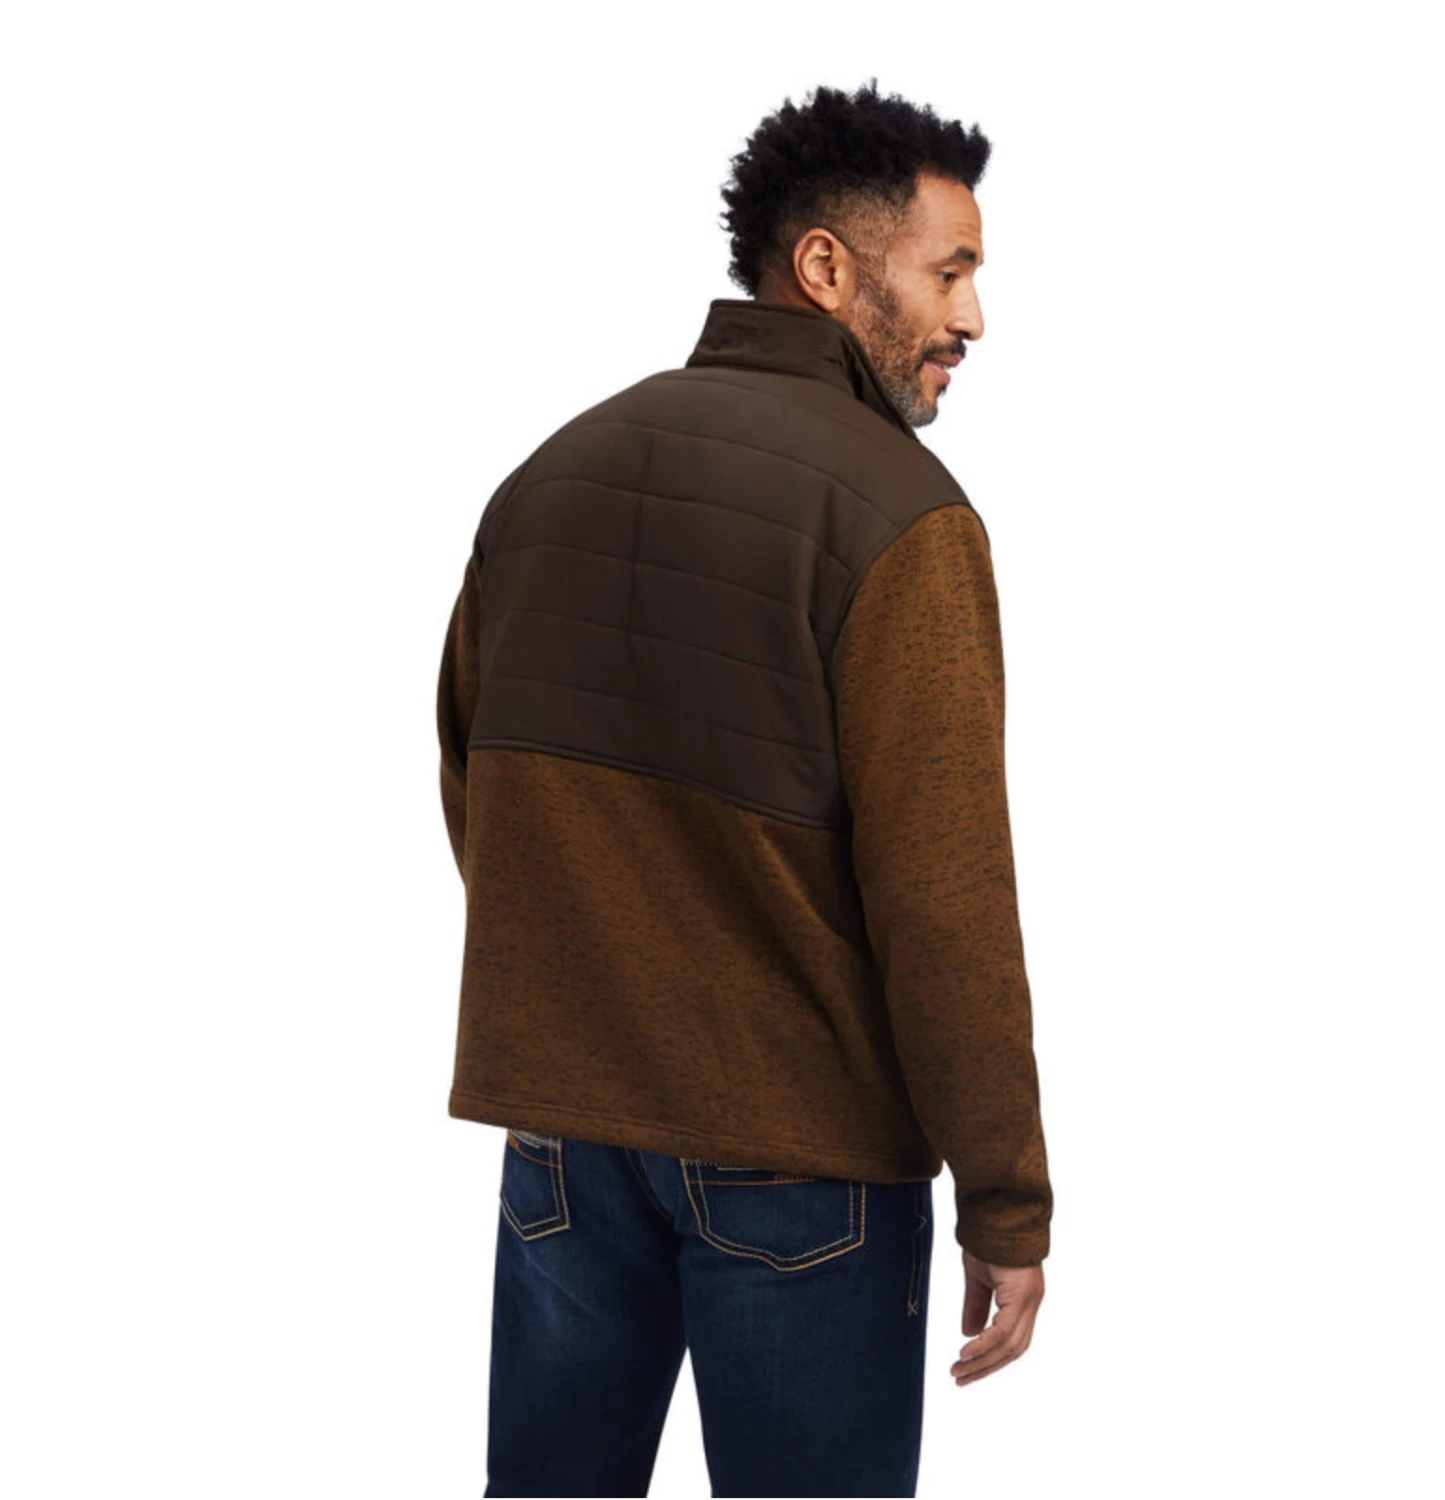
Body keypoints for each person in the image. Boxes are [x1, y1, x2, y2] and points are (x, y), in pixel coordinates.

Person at [436, 78, 1053, 1498]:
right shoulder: (901, 519)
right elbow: (945, 904)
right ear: (827, 267)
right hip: (804, 1159)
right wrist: (1007, 1200)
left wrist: (603, 980)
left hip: (565, 1141)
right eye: (949, 272)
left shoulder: (552, 474)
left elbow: (481, 781)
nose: (974, 318)